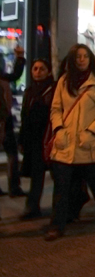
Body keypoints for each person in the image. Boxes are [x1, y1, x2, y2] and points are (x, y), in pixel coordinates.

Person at [44, 44, 95, 241]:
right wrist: (58, 129)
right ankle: (57, 225)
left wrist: (91, 131)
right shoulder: (64, 81)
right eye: (78, 56)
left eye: (85, 56)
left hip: (88, 143)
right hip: (65, 143)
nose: (82, 59)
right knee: (61, 187)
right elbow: (56, 109)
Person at [19, 58, 55, 219]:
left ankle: (64, 205)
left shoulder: (52, 90)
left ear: (48, 71)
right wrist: (22, 139)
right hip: (33, 140)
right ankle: (32, 207)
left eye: (41, 69)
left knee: (57, 174)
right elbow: (24, 116)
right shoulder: (30, 90)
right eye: (35, 69)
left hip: (47, 137)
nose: (38, 72)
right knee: (36, 174)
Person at [0, 43, 27, 197]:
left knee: (11, 153)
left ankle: (14, 187)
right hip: (3, 119)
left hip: (5, 119)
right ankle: (14, 187)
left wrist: (20, 58)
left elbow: (15, 75)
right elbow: (15, 75)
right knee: (11, 152)